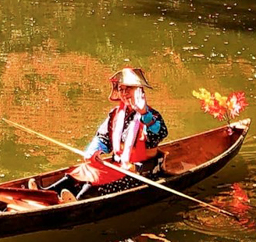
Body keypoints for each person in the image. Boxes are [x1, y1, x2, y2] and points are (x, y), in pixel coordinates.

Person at [33, 66, 168, 201]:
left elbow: (158, 134)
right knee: (83, 169)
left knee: (96, 183)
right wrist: (94, 150)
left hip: (141, 173)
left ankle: (78, 200)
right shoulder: (115, 114)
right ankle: (47, 193)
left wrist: (144, 113)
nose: (125, 93)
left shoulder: (152, 115)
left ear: (139, 90)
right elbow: (102, 138)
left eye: (129, 88)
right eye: (121, 89)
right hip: (118, 166)